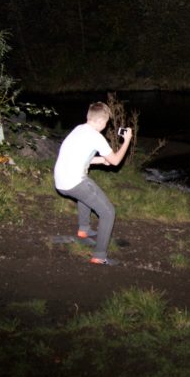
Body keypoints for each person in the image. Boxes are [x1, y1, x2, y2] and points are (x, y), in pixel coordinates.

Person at [53, 101, 133, 266]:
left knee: (86, 192)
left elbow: (80, 156)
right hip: (74, 182)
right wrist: (127, 141)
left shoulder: (79, 129)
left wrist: (102, 160)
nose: (105, 126)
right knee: (108, 212)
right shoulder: (96, 137)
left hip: (60, 181)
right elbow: (117, 161)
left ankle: (84, 230)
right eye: (105, 122)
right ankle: (99, 256)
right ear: (101, 122)